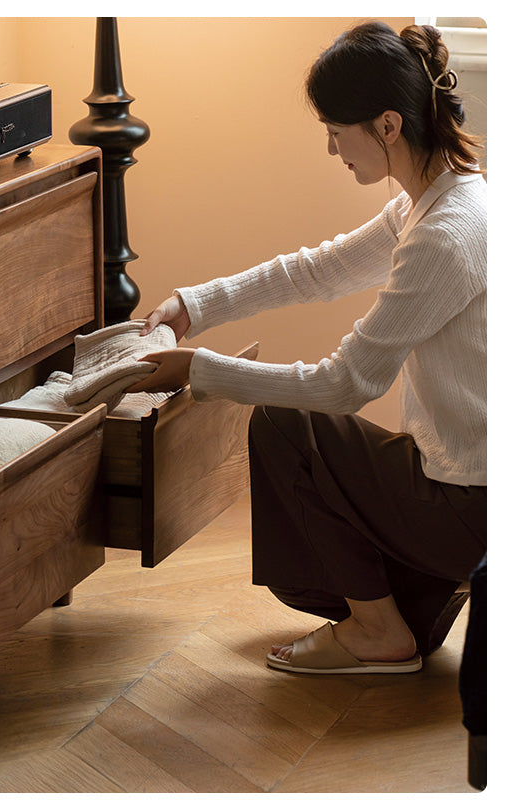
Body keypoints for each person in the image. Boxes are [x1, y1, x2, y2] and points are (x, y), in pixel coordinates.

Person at [125, 20, 486, 674]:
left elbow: (345, 384)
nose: (330, 148)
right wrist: (194, 305)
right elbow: (317, 271)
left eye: (335, 131)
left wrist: (200, 370)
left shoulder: (443, 235)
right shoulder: (443, 202)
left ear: (387, 125)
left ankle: (378, 629)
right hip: (471, 492)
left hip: (474, 508)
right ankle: (409, 606)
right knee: (323, 480)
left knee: (284, 423)